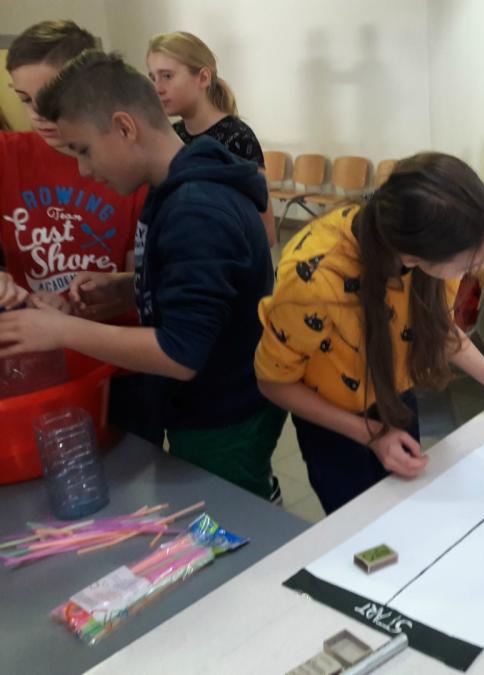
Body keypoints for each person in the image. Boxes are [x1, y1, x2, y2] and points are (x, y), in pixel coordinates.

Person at [0, 51, 284, 500]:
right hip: (202, 406)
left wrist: (60, 331)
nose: (84, 170)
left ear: (124, 127)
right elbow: (203, 293)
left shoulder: (197, 210)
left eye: (83, 150)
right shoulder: (170, 187)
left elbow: (181, 354)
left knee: (234, 515)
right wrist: (128, 288)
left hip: (223, 415)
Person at [255, 152, 484, 514]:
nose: (482, 266)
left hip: (395, 399)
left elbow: (442, 331)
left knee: (406, 511)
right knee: (361, 525)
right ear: (414, 255)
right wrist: (371, 435)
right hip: (333, 422)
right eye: (472, 261)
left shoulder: (421, 261)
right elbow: (273, 383)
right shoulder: (312, 280)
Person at [0, 20, 146, 314]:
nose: (37, 113)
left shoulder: (132, 167)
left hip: (110, 337)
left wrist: (76, 308)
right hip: (29, 335)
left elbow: (140, 288)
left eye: (51, 97)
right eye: (25, 99)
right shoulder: (6, 152)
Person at [146, 31, 275, 245]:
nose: (157, 88)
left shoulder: (237, 136)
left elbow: (265, 232)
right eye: (153, 77)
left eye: (167, 76)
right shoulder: (171, 135)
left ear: (203, 78)